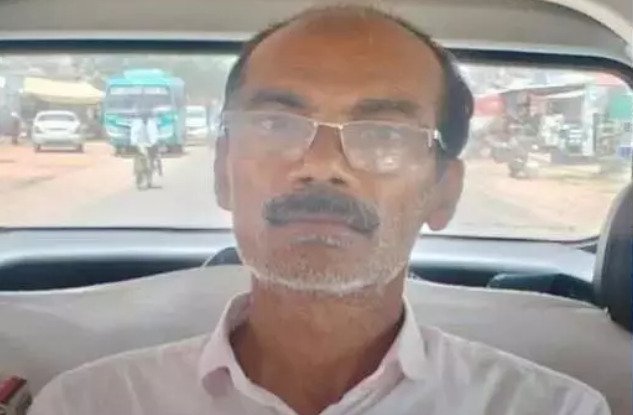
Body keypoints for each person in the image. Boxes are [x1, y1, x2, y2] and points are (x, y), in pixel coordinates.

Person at [29, 6, 610, 415]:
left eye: (383, 133)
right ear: (222, 172)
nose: (322, 164)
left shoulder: (552, 408)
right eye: (276, 124)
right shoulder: (90, 403)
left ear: (444, 192)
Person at [129, 109, 162, 176]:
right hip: (140, 143)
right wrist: (134, 142)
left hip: (150, 143)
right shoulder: (137, 123)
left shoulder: (152, 123)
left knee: (156, 155)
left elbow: (155, 134)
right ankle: (136, 171)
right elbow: (133, 133)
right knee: (139, 155)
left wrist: (154, 143)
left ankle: (158, 169)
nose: (145, 118)